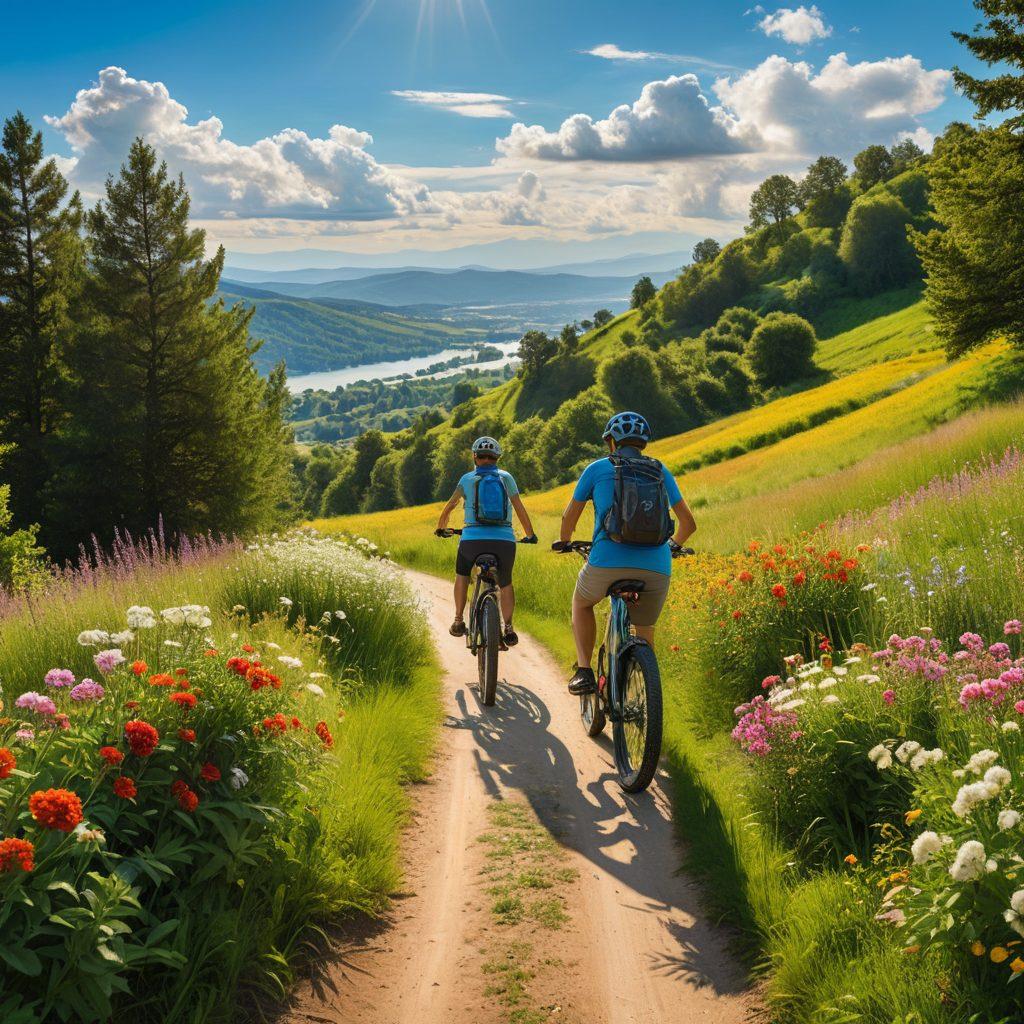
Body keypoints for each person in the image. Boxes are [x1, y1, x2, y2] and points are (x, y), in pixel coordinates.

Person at [553, 411, 696, 695]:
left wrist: (565, 541)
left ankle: (584, 671)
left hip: (607, 562)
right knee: (645, 630)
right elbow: (688, 524)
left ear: (612, 442)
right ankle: (643, 694)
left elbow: (569, 517)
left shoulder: (596, 469)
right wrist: (672, 546)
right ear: (643, 443)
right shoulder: (659, 470)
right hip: (656, 567)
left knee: (581, 604)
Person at [435, 436, 536, 646]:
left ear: (475, 457)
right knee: (505, 581)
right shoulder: (506, 477)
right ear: (497, 458)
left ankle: (458, 620)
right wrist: (530, 534)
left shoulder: (467, 479)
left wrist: (441, 527)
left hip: (472, 540)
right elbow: (518, 506)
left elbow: (450, 505)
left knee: (462, 574)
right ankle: (508, 627)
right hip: (504, 541)